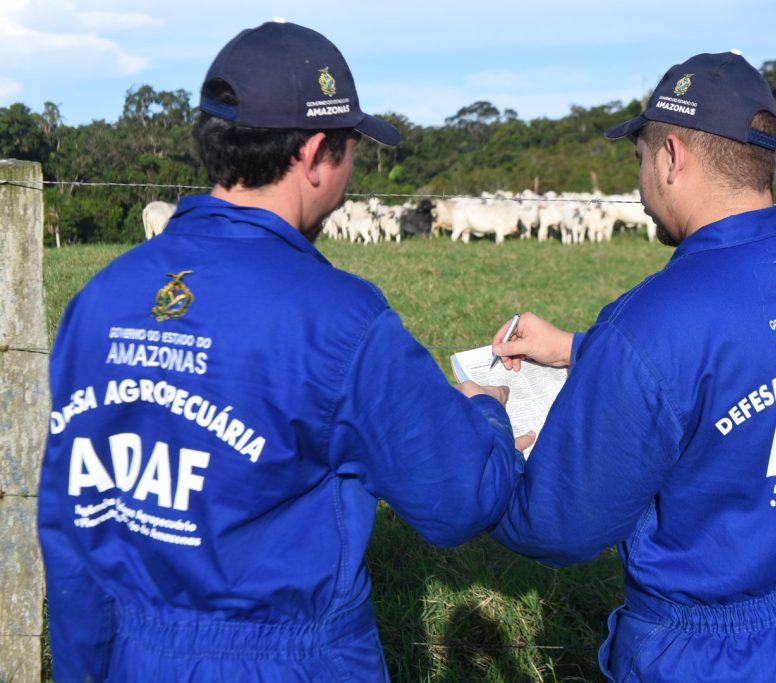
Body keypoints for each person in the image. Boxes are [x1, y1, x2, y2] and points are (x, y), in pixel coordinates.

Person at [37, 20, 529, 682]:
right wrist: (486, 411)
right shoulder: (340, 318)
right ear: (318, 152)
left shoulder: (99, 299)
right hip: (285, 660)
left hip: (128, 655)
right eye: (352, 148)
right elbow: (459, 498)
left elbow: (70, 532)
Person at [490, 52, 776, 681]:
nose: (641, 182)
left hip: (713, 653)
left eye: (641, 157)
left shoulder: (653, 319)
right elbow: (743, 354)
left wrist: (487, 435)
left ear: (672, 156)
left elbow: (556, 526)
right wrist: (579, 347)